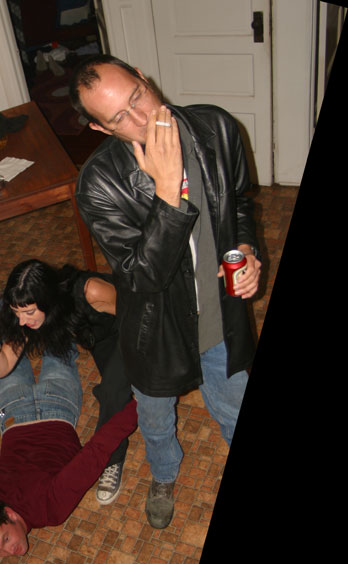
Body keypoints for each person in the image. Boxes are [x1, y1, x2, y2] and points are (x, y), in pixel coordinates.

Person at [69, 55, 262, 529]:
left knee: (235, 405)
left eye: (137, 96)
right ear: (101, 128)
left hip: (219, 316)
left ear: (143, 76)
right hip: (154, 333)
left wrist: (244, 248)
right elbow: (143, 277)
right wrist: (167, 190)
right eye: (120, 117)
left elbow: (239, 203)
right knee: (155, 421)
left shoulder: (217, 128)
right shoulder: (97, 184)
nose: (141, 117)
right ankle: (164, 474)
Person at [0, 259, 138, 556]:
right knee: (58, 339)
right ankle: (15, 317)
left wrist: (143, 402)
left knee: (44, 331)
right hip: (49, 407)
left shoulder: (48, 509)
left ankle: (18, 311)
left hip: (28, 411)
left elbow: (97, 452)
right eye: (0, 551)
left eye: (5, 541)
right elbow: (93, 453)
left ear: (9, 514)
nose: (10, 552)